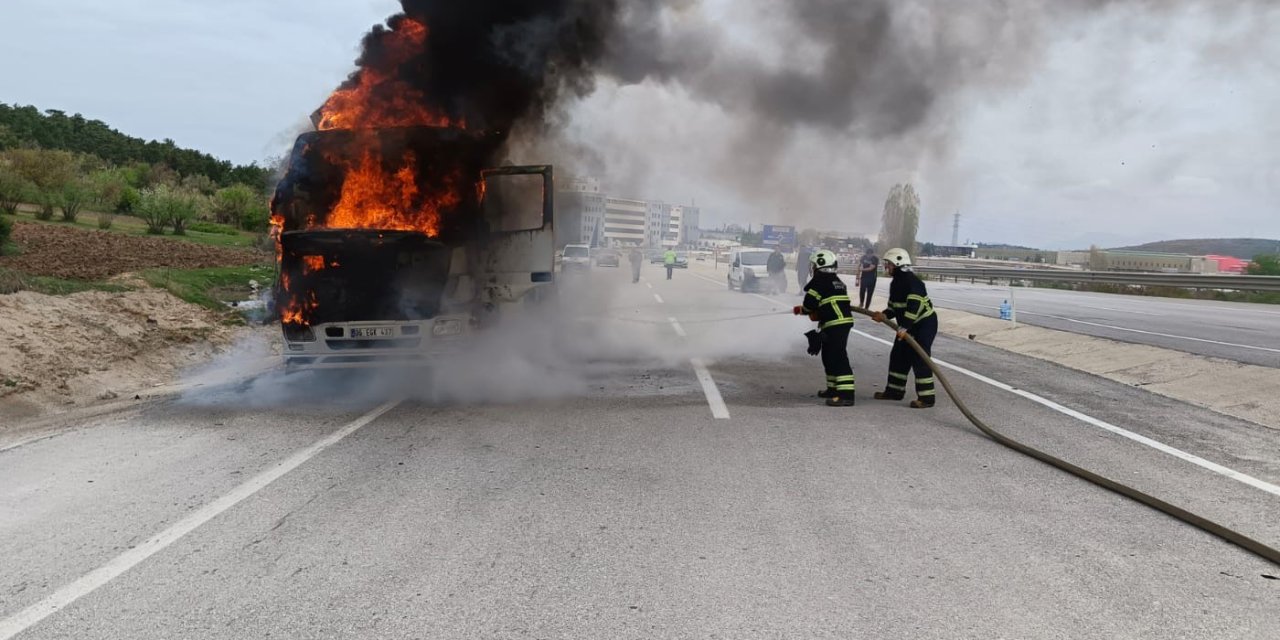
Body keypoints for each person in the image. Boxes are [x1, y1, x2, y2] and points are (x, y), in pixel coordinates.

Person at [871, 248, 939, 408]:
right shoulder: (896, 283)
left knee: (920, 358)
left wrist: (904, 327)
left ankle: (927, 398)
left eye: (889, 264)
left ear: (898, 263)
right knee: (898, 355)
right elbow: (894, 308)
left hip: (924, 324)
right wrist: (884, 315)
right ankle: (894, 391)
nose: (886, 267)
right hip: (907, 325)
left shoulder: (913, 282)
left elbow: (914, 306)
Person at [793, 250, 856, 407]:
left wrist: (802, 310)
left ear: (818, 266)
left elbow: (809, 305)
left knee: (838, 356)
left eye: (813, 265)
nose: (812, 268)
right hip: (837, 323)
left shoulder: (818, 282)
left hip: (837, 324)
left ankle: (846, 395)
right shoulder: (837, 281)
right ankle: (833, 389)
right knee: (828, 355)